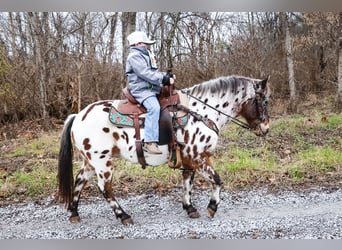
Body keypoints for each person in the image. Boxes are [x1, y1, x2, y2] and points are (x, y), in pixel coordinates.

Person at [125, 31, 175, 154]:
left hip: (152, 89)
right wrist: (163, 79)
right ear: (138, 44)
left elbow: (153, 72)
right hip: (142, 90)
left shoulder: (147, 55)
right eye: (146, 43)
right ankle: (149, 141)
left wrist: (165, 75)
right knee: (154, 107)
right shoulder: (134, 56)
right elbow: (145, 73)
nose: (149, 45)